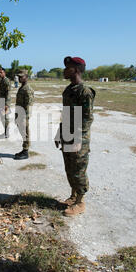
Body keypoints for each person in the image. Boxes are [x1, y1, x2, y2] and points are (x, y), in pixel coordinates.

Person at [55, 56, 95, 217]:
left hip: (78, 138)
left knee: (79, 170)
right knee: (69, 168)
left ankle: (80, 202)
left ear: (76, 70)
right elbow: (65, 115)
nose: (64, 70)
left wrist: (78, 138)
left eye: (68, 67)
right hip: (67, 135)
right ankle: (73, 196)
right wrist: (59, 133)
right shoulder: (68, 90)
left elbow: (87, 118)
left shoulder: (84, 92)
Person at [14, 69, 35, 160]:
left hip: (24, 115)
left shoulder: (27, 89)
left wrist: (25, 117)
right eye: (18, 77)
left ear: (26, 77)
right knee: (23, 132)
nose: (19, 78)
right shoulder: (22, 87)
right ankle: (24, 149)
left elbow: (29, 105)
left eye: (21, 77)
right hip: (19, 113)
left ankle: (26, 151)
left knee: (25, 132)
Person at [0, 67, 12, 138]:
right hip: (1, 101)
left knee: (5, 118)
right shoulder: (2, 80)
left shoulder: (6, 81)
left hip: (5, 103)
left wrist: (6, 104)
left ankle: (7, 133)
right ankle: (5, 132)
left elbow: (8, 93)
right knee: (2, 117)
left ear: (4, 73)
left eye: (2, 72)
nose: (0, 74)